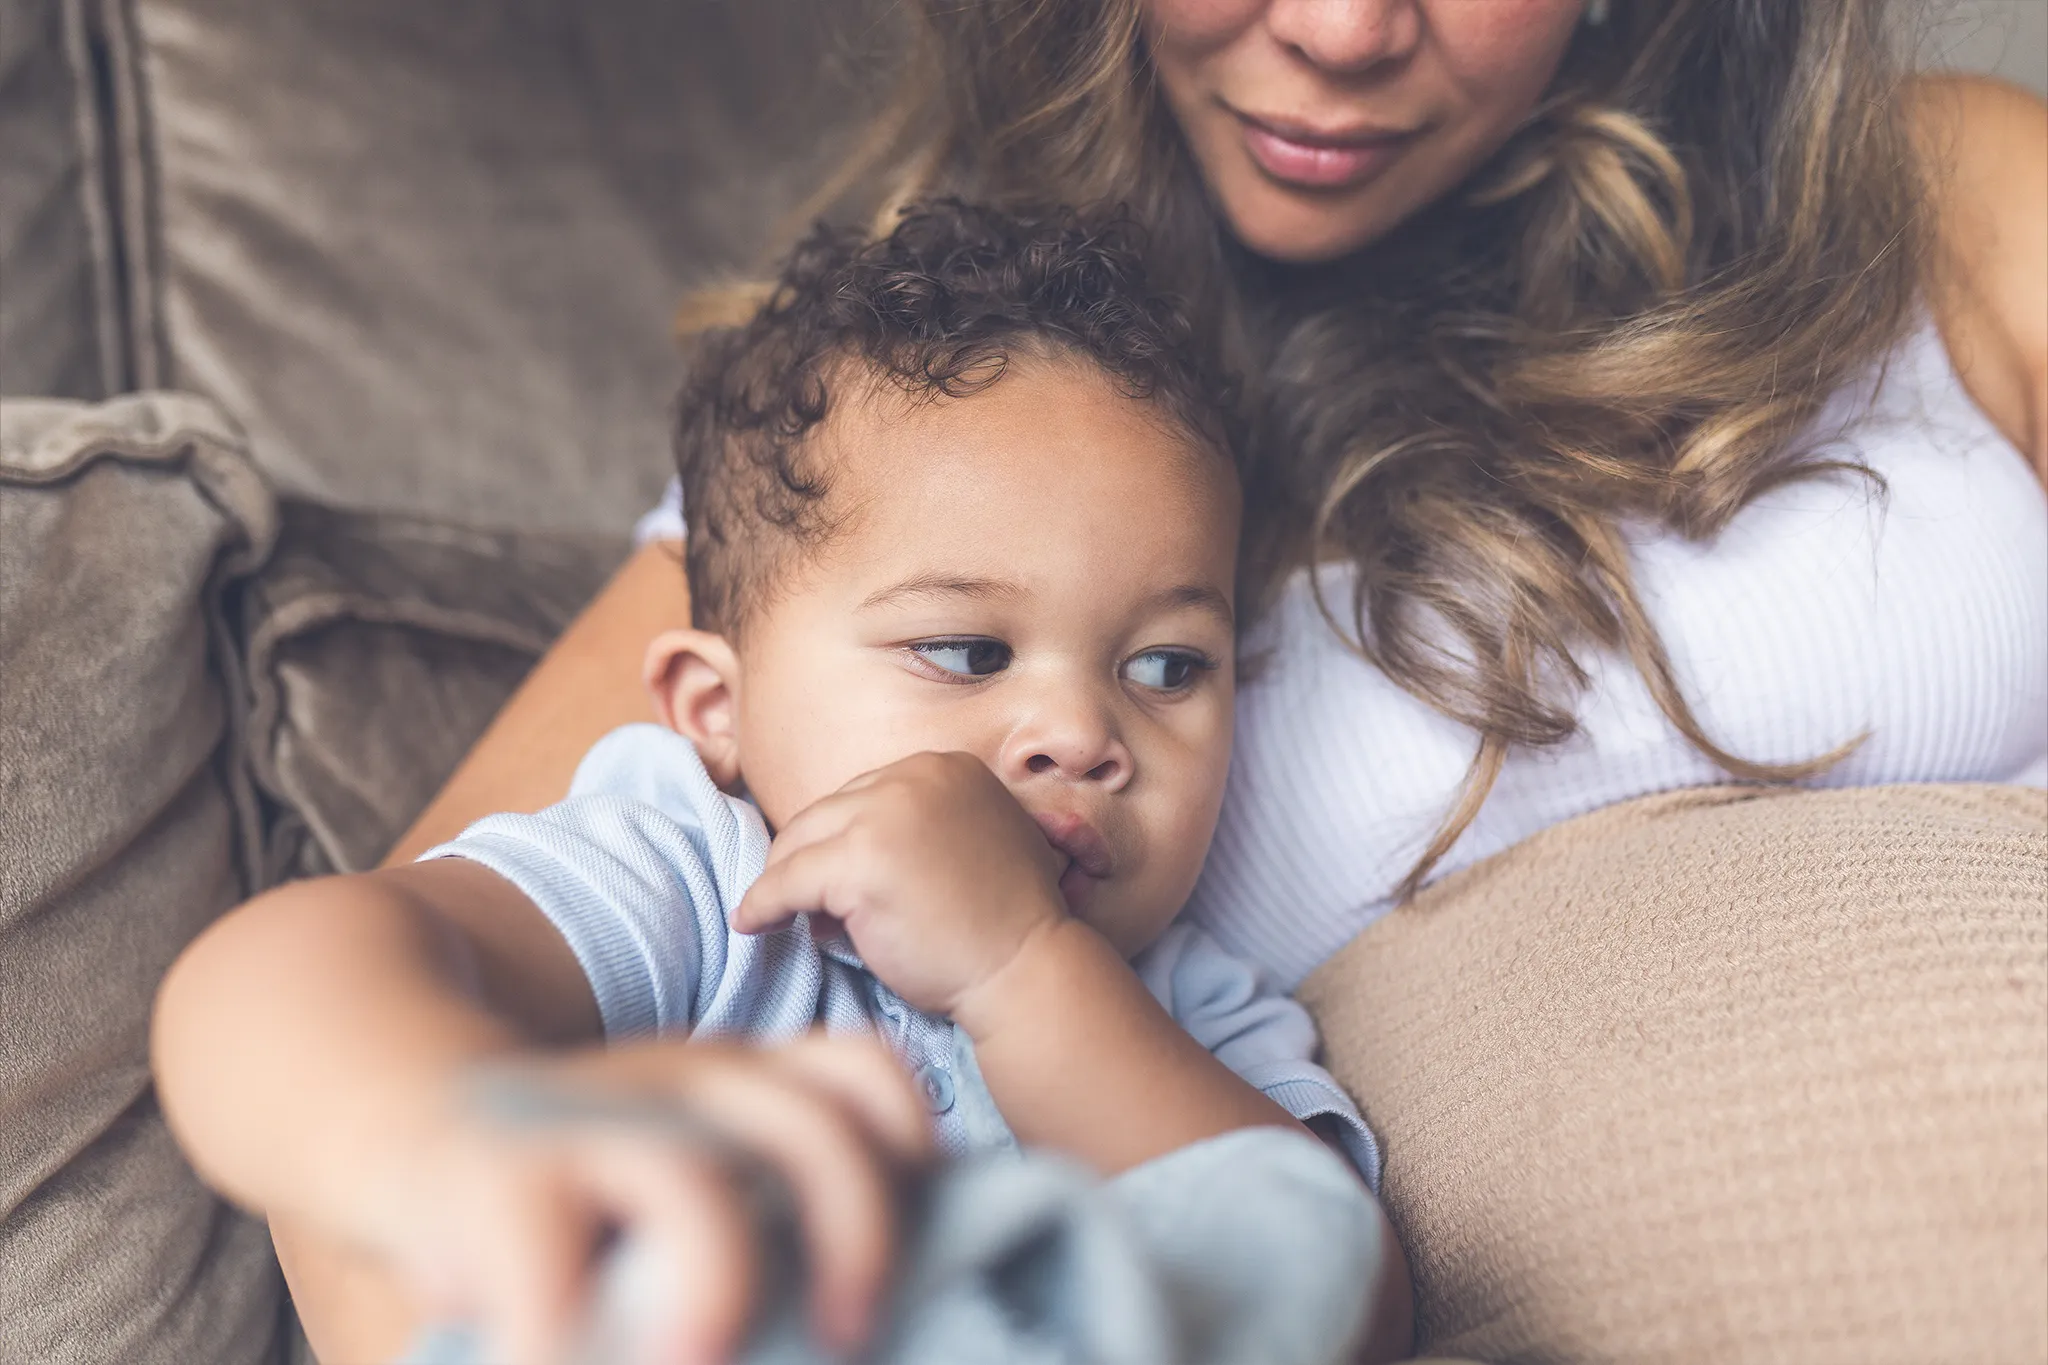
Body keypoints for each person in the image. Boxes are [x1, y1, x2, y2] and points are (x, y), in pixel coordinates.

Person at [267, 0, 2047, 1358]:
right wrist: (470, 1183)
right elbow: (359, 1034)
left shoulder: (1944, 201)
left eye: (1177, 665)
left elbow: (1316, 1265)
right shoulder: (874, 459)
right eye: (966, 652)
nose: (1342, 34)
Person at [153, 202, 1410, 1365]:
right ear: (716, 711)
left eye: (1165, 665)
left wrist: (1023, 971)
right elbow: (277, 978)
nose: (1081, 730)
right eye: (965, 651)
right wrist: (445, 1134)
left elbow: (1343, 1296)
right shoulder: (698, 877)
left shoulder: (1184, 1005)